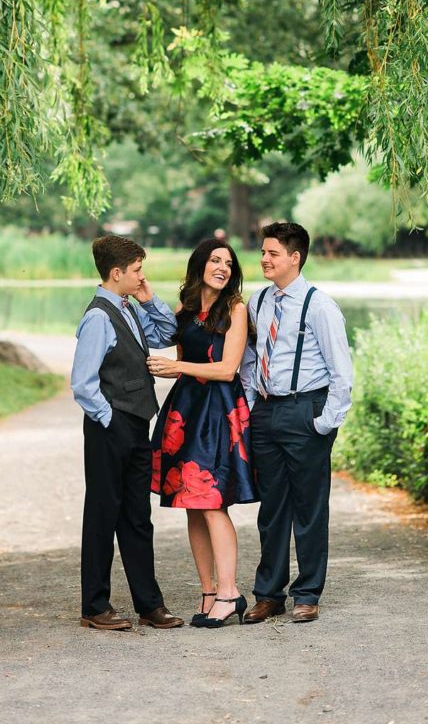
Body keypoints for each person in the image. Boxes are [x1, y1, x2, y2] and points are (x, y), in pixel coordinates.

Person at [240, 221, 353, 624]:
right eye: (263, 252)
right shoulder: (258, 301)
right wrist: (254, 404)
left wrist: (324, 422)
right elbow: (252, 358)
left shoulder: (320, 306)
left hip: (306, 411)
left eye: (272, 253)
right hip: (267, 412)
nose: (264, 259)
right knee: (271, 508)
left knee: (309, 508)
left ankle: (307, 593)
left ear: (295, 257)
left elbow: (342, 372)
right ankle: (269, 594)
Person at [71, 234, 184, 631]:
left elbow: (168, 334)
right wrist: (109, 419)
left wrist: (149, 299)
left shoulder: (128, 308)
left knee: (137, 517)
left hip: (137, 423)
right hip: (112, 426)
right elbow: (83, 383)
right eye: (137, 271)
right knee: (103, 514)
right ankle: (94, 606)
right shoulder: (99, 316)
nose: (142, 276)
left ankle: (149, 604)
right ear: (116, 273)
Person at [147, 238, 256, 628]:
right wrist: (146, 300)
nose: (223, 267)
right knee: (191, 506)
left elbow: (227, 369)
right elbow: (172, 348)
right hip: (185, 410)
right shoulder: (187, 309)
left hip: (217, 411)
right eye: (215, 260)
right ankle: (208, 591)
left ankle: (230, 592)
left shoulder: (236, 309)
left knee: (211, 501)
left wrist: (178, 368)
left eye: (228, 263)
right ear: (200, 265)